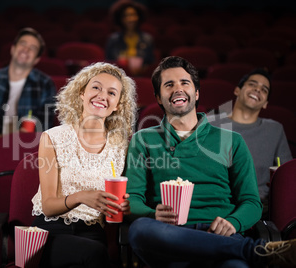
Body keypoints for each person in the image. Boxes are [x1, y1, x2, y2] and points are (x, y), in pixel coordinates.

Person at [124, 56, 296, 267]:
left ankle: (246, 252)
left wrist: (232, 222)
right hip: (169, 238)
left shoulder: (232, 140)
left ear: (196, 93)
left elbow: (251, 202)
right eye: (169, 85)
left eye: (184, 83)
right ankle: (257, 252)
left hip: (220, 235)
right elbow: (132, 199)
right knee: (140, 229)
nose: (178, 89)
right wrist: (152, 213)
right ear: (159, 98)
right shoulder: (143, 139)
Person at [31, 62, 137, 267]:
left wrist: (124, 206)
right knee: (94, 254)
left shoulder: (120, 145)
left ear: (117, 105)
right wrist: (81, 197)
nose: (102, 95)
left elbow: (118, 201)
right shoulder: (52, 138)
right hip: (50, 230)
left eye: (112, 93)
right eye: (95, 87)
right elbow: (48, 206)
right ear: (81, 93)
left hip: (93, 232)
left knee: (92, 253)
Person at [208, 68, 293, 219]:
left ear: (266, 103)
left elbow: (286, 174)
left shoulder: (275, 129)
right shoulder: (211, 123)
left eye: (264, 89)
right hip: (214, 201)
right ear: (237, 90)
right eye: (252, 84)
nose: (257, 90)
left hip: (256, 206)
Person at [0, 27, 56, 150]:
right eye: (23, 44)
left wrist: (24, 138)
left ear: (37, 59)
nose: (26, 49)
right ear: (13, 49)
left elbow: (45, 130)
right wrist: (4, 139)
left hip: (25, 153)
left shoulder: (45, 84)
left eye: (33, 48)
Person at [105, 0, 155, 76]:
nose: (130, 19)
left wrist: (144, 69)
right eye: (126, 16)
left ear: (139, 16)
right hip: (118, 78)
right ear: (120, 19)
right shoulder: (113, 39)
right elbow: (108, 63)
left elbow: (152, 63)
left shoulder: (148, 39)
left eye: (133, 15)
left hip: (141, 77)